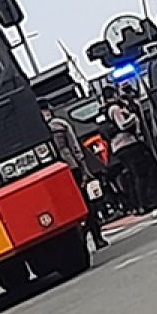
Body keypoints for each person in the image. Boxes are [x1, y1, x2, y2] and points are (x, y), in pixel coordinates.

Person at [42, 100, 109, 249]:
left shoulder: (39, 130)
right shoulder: (60, 124)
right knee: (85, 203)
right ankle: (95, 236)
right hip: (71, 167)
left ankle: (83, 237)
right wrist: (84, 169)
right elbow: (75, 148)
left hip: (52, 172)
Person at [102, 85, 157, 213]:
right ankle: (145, 202)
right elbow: (122, 125)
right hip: (126, 144)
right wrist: (133, 118)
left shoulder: (109, 109)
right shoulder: (114, 109)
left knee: (138, 173)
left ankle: (142, 202)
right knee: (140, 173)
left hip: (120, 147)